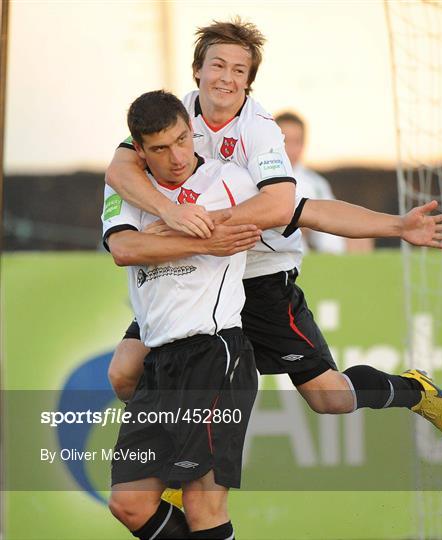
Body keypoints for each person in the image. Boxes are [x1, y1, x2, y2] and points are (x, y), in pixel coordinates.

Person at [105, 19, 442, 447]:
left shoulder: (259, 129)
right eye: (218, 65)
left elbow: (285, 207)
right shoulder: (174, 116)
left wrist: (395, 225)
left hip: (259, 270)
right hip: (196, 271)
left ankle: (413, 390)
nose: (227, 78)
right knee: (125, 372)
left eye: (240, 71)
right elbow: (119, 168)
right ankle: (178, 460)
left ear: (250, 82)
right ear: (197, 69)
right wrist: (173, 215)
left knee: (327, 397)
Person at [104, 90, 262, 540]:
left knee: (202, 504)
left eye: (181, 141)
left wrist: (395, 226)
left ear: (190, 131)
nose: (175, 157)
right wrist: (200, 239)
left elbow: (289, 206)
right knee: (129, 503)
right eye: (159, 148)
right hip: (159, 361)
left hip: (214, 352)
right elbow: (123, 248)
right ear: (139, 151)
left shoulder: (230, 179)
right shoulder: (125, 187)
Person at [275, 111, 374, 253]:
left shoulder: (315, 182)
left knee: (361, 238)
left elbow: (333, 216)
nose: (290, 149)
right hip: (283, 245)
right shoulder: (261, 178)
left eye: (296, 142)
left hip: (320, 241)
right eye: (285, 141)